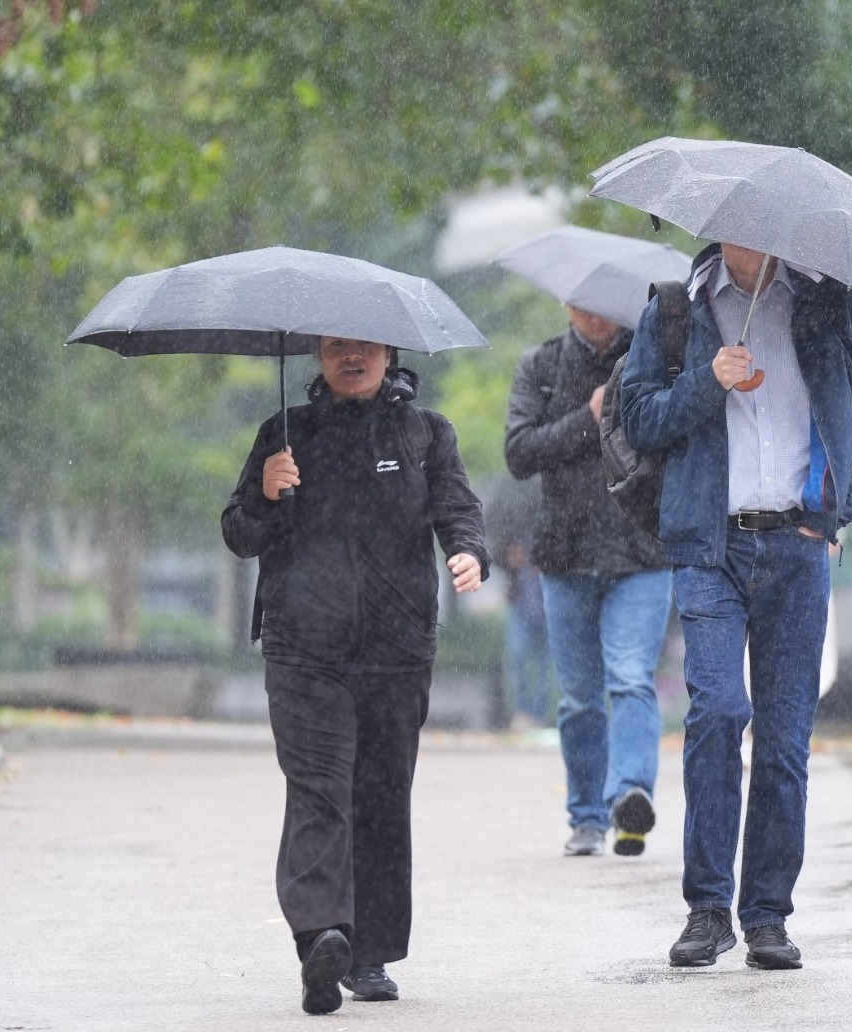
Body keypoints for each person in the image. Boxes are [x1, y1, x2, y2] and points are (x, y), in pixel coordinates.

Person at [620, 242, 852, 970]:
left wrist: (836, 510)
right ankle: (707, 909)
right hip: (710, 545)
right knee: (716, 712)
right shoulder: (677, 309)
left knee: (782, 740)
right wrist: (706, 383)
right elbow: (637, 418)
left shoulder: (830, 306)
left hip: (799, 549)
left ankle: (767, 914)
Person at [222, 336, 489, 1014]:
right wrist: (265, 490)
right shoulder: (285, 434)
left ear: (390, 354)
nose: (351, 357)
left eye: (364, 346)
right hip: (302, 648)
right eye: (337, 346)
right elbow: (238, 532)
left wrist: (469, 553)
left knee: (381, 795)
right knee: (319, 793)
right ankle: (320, 940)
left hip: (397, 650)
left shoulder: (427, 433)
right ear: (317, 355)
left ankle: (367, 955)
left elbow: (458, 508)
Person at [505, 304, 672, 858]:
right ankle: (586, 816)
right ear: (565, 303)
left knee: (630, 678)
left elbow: (673, 435)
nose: (594, 312)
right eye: (583, 300)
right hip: (565, 554)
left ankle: (631, 794)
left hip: (641, 550)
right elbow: (520, 452)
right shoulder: (542, 365)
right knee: (578, 697)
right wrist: (589, 417)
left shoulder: (650, 358)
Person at [484, 475, 555, 727]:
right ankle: (523, 713)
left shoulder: (550, 521)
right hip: (520, 600)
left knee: (545, 660)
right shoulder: (511, 531)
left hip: (548, 601)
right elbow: (497, 552)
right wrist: (507, 557)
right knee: (519, 655)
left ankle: (539, 714)